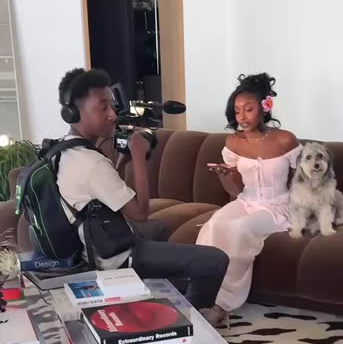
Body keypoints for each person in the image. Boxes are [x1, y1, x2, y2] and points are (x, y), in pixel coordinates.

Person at [55, 68, 228, 314]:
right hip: (112, 258)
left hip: (89, 245)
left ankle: (164, 296)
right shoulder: (92, 162)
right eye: (103, 108)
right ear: (73, 112)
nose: (112, 114)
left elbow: (101, 193)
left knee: (160, 228)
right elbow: (140, 213)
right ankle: (195, 318)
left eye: (112, 105)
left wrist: (122, 162)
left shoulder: (63, 150)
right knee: (215, 260)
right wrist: (138, 156)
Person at [196, 72, 301, 328]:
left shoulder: (285, 140)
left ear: (265, 107)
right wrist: (225, 176)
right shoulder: (233, 142)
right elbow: (234, 191)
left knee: (241, 228)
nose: (241, 117)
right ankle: (201, 293)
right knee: (215, 224)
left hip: (278, 207)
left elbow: (301, 182)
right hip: (245, 202)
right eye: (237, 111)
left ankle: (222, 305)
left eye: (248, 109)